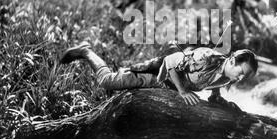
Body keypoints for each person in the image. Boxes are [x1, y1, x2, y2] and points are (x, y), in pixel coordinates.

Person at [60, 42, 258, 107]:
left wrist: (217, 97)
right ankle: (86, 51)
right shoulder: (205, 57)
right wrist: (181, 91)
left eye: (243, 77)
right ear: (232, 60)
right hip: (157, 75)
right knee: (106, 81)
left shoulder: (227, 75)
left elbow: (213, 82)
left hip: (165, 89)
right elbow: (170, 63)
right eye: (241, 72)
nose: (240, 78)